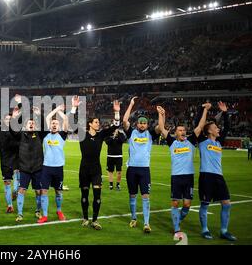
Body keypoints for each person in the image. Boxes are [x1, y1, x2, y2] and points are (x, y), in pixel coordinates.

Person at [157, 103, 211, 240]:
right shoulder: (171, 142)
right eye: (180, 130)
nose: (183, 132)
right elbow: (162, 128)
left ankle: (177, 219)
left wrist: (205, 110)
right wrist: (160, 114)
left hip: (188, 177)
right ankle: (176, 228)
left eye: (184, 130)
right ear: (175, 133)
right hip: (176, 177)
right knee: (175, 203)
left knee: (186, 204)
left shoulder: (191, 141)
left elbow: (200, 126)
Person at [72, 96, 120, 230]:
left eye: (98, 122)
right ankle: (85, 218)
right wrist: (74, 107)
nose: (98, 123)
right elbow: (70, 124)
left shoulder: (101, 135)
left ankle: (95, 220)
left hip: (96, 170)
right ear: (90, 124)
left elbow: (116, 126)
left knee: (97, 195)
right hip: (84, 169)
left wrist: (116, 112)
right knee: (85, 195)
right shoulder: (82, 134)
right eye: (96, 122)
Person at [197, 101, 237, 241]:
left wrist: (225, 113)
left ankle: (224, 231)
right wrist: (203, 109)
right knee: (205, 204)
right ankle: (205, 229)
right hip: (206, 176)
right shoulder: (202, 141)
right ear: (209, 130)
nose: (218, 129)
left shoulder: (220, 142)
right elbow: (199, 123)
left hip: (219, 177)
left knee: (226, 204)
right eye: (215, 127)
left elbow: (227, 127)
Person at [123, 96, 161, 233]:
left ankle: (146, 223)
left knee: (145, 196)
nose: (142, 125)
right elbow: (124, 121)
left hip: (145, 170)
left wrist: (161, 115)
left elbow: (160, 128)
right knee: (132, 195)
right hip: (132, 169)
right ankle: (133, 218)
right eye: (140, 123)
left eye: (145, 123)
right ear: (137, 124)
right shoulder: (131, 133)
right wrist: (131, 105)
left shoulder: (150, 134)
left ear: (147, 125)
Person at [10, 106, 47, 223]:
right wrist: (14, 118)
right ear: (25, 126)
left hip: (37, 168)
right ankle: (20, 214)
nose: (31, 124)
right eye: (29, 123)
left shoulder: (39, 135)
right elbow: (12, 130)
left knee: (38, 191)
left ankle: (37, 211)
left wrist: (39, 115)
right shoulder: (21, 135)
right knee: (22, 190)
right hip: (24, 168)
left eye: (33, 123)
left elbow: (45, 128)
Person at [38, 104, 69, 223]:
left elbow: (66, 119)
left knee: (58, 191)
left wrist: (61, 112)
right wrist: (56, 109)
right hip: (46, 167)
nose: (54, 125)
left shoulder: (62, 135)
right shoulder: (46, 134)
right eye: (52, 123)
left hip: (58, 168)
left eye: (56, 123)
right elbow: (47, 117)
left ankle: (59, 211)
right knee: (44, 191)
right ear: (50, 125)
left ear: (59, 126)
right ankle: (45, 215)